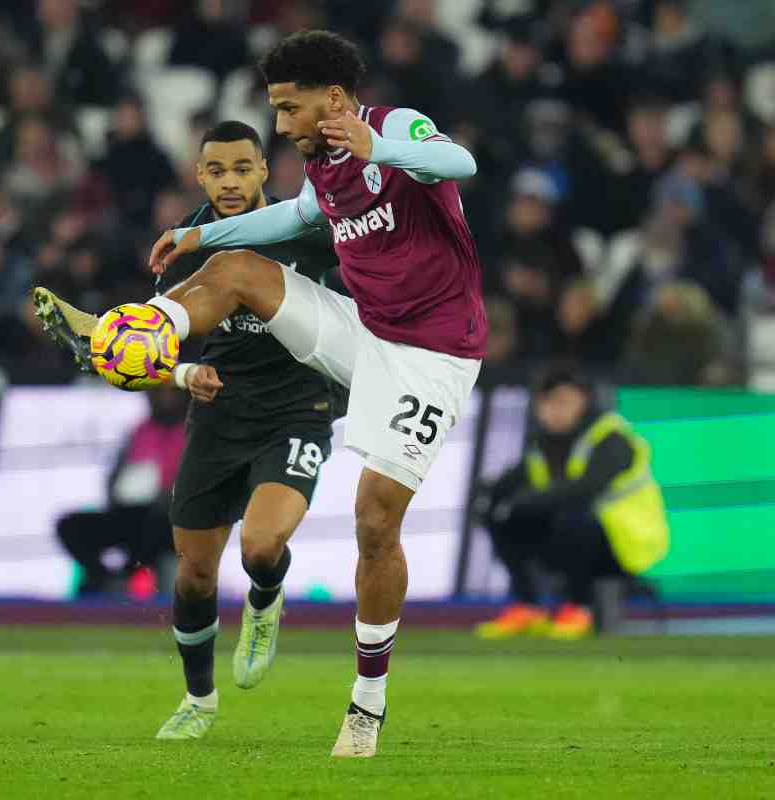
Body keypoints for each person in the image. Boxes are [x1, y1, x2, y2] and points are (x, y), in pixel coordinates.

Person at [35, 31, 484, 757]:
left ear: (334, 101)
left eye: (288, 108)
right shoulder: (322, 168)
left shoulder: (394, 127)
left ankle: (366, 706)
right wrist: (198, 237)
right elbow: (300, 218)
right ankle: (141, 329)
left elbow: (460, 161)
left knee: (374, 519)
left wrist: (380, 148)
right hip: (363, 331)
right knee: (240, 263)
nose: (280, 125)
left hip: (434, 356)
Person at [131, 120, 342, 740]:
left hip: (298, 410)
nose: (229, 182)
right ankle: (199, 700)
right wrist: (185, 372)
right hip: (218, 420)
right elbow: (144, 346)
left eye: (242, 169)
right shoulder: (184, 246)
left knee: (259, 546)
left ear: (264, 172)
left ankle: (265, 594)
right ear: (199, 176)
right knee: (193, 574)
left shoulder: (304, 233)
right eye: (216, 171)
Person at [472, 365, 670, 639]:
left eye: (565, 400)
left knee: (571, 517)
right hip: (573, 538)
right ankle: (527, 606)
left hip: (627, 542)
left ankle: (580, 608)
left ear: (584, 401)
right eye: (548, 401)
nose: (556, 409)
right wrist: (489, 498)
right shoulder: (541, 443)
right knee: (504, 516)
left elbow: (587, 488)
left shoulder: (611, 436)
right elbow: (512, 482)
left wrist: (531, 500)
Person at [56, 387, 185, 597]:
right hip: (129, 512)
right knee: (70, 526)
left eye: (169, 393)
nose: (163, 399)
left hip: (168, 520)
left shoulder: (192, 434)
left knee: (153, 526)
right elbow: (115, 476)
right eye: (157, 393)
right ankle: (102, 577)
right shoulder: (140, 431)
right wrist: (120, 491)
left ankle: (130, 577)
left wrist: (163, 493)